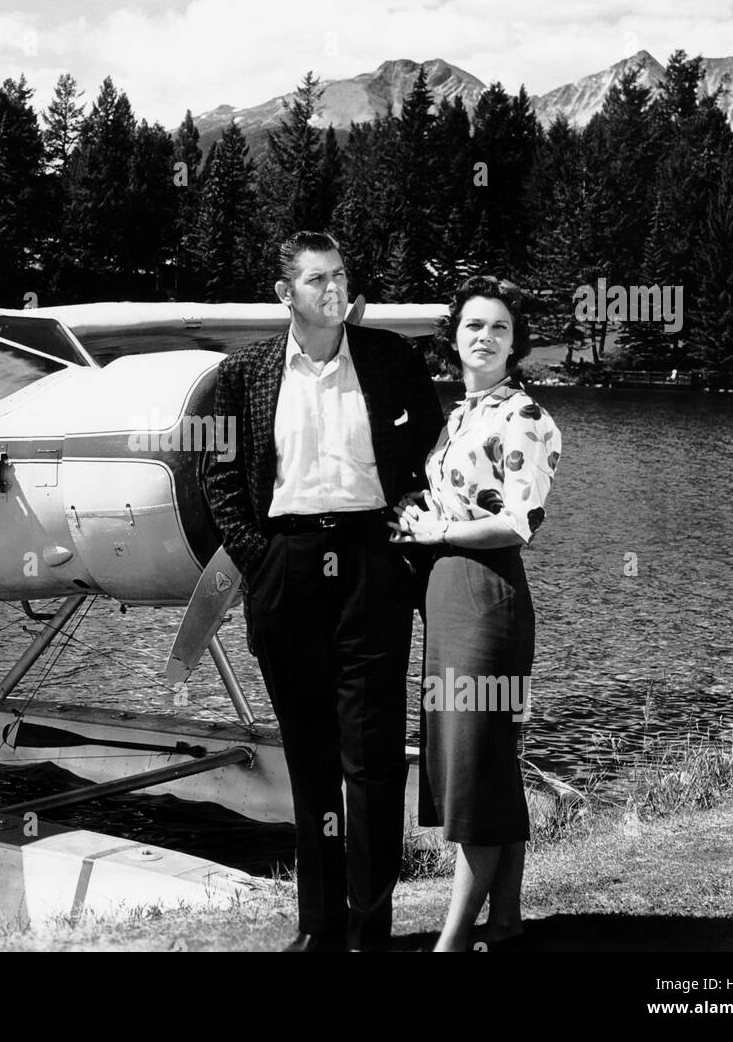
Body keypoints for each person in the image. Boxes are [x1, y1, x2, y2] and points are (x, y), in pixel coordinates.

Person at [204, 231, 443, 952]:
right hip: (287, 568)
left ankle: (372, 931)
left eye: (340, 277)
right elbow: (216, 478)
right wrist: (259, 558)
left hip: (372, 565)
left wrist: (405, 550)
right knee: (308, 759)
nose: (334, 290)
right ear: (285, 294)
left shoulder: (390, 360)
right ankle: (319, 927)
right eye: (316, 280)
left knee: (370, 761)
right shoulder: (240, 376)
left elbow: (431, 457)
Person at [390, 275, 562, 952]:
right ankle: (508, 919)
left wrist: (438, 535)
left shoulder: (524, 417)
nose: (484, 337)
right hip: (447, 595)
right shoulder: (461, 415)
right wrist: (417, 514)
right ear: (453, 339)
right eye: (472, 326)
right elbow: (458, 502)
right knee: (483, 764)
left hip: (487, 599)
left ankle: (453, 942)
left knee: (473, 770)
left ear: (515, 342)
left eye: (497, 327)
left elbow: (520, 522)